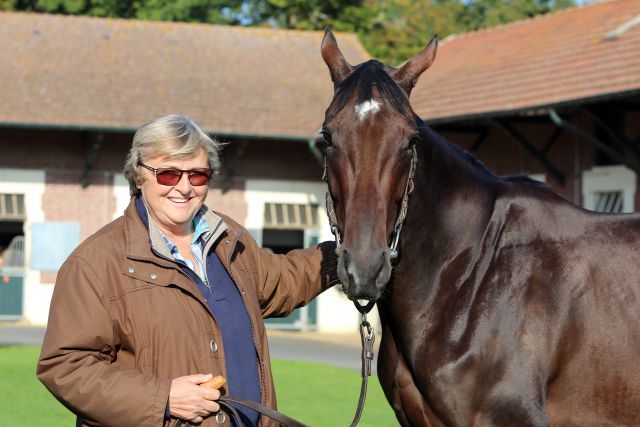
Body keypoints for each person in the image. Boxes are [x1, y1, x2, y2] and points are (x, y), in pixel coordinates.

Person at [37, 114, 338, 427]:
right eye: (168, 174)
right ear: (140, 176)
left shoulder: (228, 239)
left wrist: (344, 255)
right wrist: (163, 398)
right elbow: (66, 365)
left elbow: (282, 280)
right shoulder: (95, 263)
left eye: (197, 175)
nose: (184, 188)